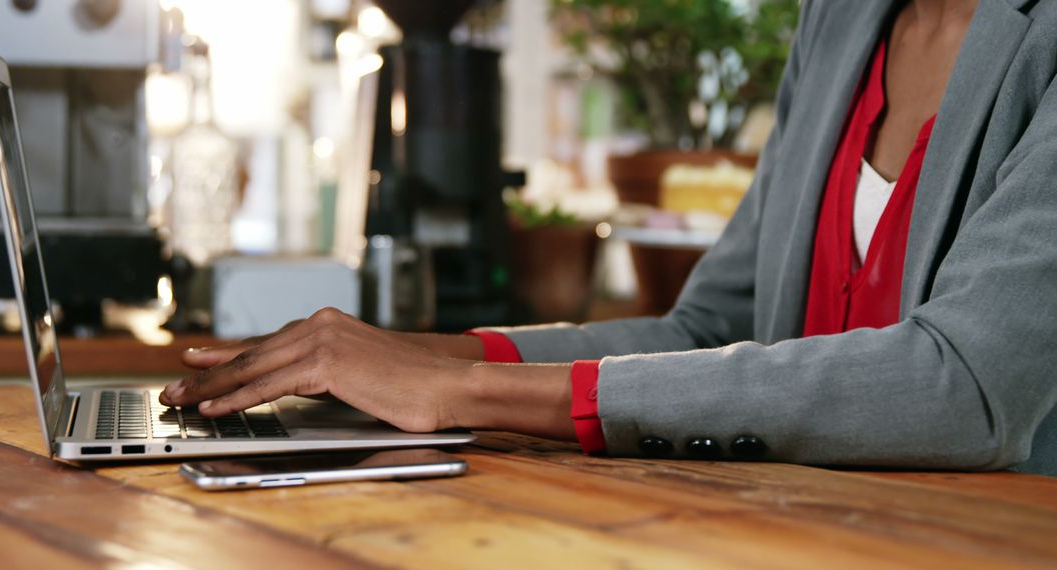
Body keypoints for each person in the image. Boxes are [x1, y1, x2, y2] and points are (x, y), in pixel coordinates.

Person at [160, 0, 1057, 474]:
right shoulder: (840, 21)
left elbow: (968, 388)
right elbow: (703, 331)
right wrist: (400, 355)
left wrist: (464, 389)